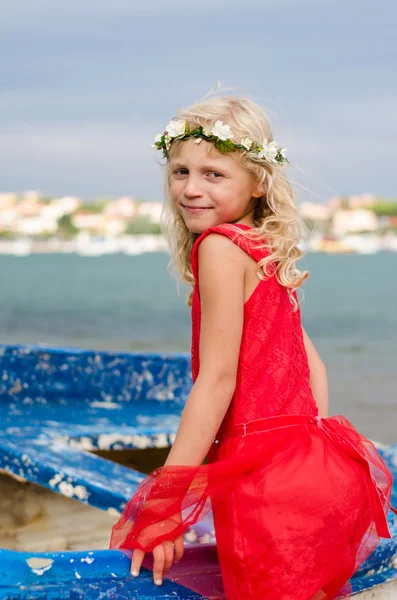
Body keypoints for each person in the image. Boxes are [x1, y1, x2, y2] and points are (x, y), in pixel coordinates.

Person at [109, 94, 397, 599]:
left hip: (261, 480)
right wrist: (308, 462)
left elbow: (217, 382)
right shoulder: (261, 249)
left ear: (259, 182)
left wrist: (165, 505)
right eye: (180, 171)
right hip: (314, 466)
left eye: (213, 174)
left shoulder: (219, 247)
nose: (191, 188)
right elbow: (317, 368)